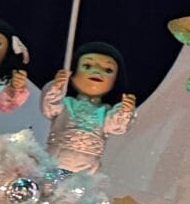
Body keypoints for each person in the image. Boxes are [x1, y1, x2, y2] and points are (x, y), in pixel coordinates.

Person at [43, 39, 137, 175]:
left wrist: (125, 111)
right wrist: (57, 87)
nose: (97, 72)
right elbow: (50, 107)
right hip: (54, 160)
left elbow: (117, 126)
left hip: (87, 169)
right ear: (72, 74)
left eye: (108, 70)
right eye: (87, 66)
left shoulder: (106, 112)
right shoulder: (67, 103)